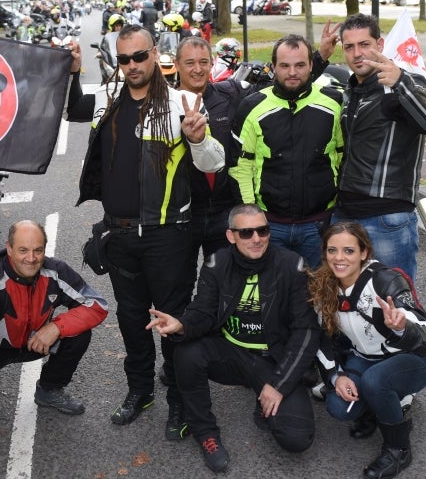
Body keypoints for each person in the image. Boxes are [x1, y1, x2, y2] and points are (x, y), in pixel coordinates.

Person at [66, 24, 227, 440]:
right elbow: (72, 109)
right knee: (132, 320)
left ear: (155, 54)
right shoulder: (106, 98)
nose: (132, 66)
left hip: (169, 236)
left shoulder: (182, 102)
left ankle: (178, 400)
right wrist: (71, 71)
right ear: (116, 61)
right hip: (119, 237)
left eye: (140, 56)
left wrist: (199, 139)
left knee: (172, 321)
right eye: (124, 59)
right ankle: (140, 391)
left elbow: (213, 164)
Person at [146, 204, 319, 473]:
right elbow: (203, 311)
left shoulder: (291, 265)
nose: (256, 239)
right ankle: (205, 433)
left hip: (273, 357)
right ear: (231, 236)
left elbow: (305, 331)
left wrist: (279, 385)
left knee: (296, 438)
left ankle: (264, 398)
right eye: (246, 233)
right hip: (232, 353)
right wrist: (181, 324)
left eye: (262, 230)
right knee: (186, 351)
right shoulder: (217, 264)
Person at [308, 222, 426, 479]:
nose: (339, 258)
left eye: (348, 250)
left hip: (409, 361)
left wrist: (403, 328)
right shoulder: (324, 286)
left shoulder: (385, 281)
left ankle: (398, 449)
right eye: (332, 250)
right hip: (365, 359)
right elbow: (321, 340)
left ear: (364, 253)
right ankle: (381, 403)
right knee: (339, 407)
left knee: (374, 380)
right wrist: (337, 376)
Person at [0, 220, 109, 433]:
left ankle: (49, 389)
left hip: (34, 342)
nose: (31, 258)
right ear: (8, 248)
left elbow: (97, 305)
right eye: (23, 250)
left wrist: (56, 328)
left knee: (79, 333)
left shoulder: (55, 271)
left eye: (38, 250)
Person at [334, 14, 426, 281]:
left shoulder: (407, 82)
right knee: (346, 300)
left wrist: (401, 82)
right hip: (345, 213)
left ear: (380, 44)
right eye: (349, 47)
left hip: (387, 218)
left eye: (365, 44)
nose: (357, 53)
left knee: (395, 303)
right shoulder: (352, 91)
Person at [230, 34, 343, 268]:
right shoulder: (251, 106)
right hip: (270, 226)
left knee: (318, 297)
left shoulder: (335, 103)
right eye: (285, 65)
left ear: (311, 65)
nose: (292, 72)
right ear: (273, 67)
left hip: (319, 225)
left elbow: (343, 158)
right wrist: (253, 220)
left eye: (300, 65)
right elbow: (241, 168)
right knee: (273, 298)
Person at [175, 36, 247, 273]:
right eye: (189, 63)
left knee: (224, 284)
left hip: (224, 210)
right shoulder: (165, 104)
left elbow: (282, 86)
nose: (198, 69)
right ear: (176, 65)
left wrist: (320, 59)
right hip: (183, 215)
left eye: (203, 62)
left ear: (212, 63)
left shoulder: (230, 94)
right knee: (179, 286)